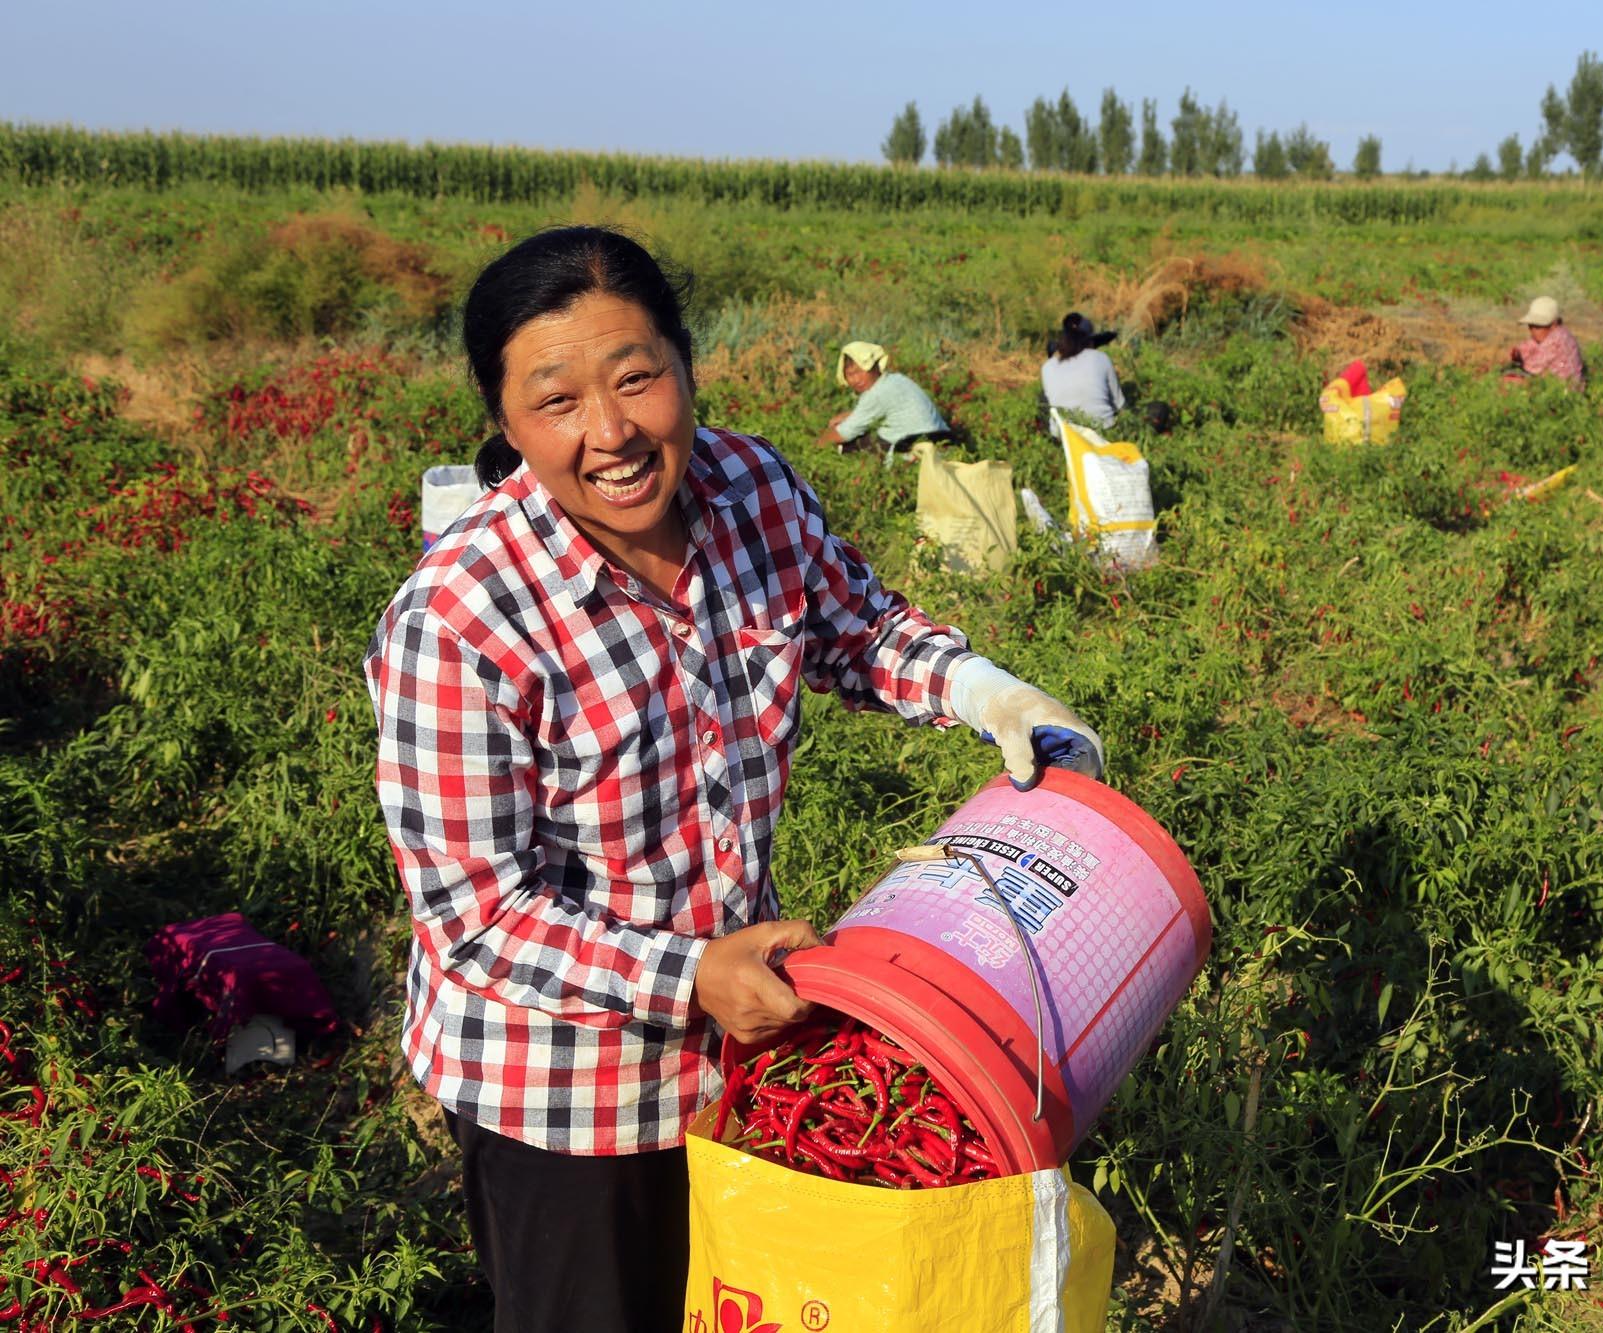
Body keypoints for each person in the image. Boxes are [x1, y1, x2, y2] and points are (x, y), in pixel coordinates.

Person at [363, 227, 1104, 1333]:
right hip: (557, 1090)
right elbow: (477, 918)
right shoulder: (460, 619)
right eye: (556, 401)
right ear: (507, 422)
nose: (610, 433)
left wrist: (986, 690)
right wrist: (688, 973)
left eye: (636, 378)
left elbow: (861, 629)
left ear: (685, 366)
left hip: (733, 1057)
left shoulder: (748, 485)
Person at [814, 340, 951, 453]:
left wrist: (817, 444)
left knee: (849, 446)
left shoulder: (877, 393)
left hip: (913, 445)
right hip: (941, 440)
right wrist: (849, 415)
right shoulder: (895, 380)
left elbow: (845, 433)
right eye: (850, 375)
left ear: (874, 367)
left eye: (860, 371)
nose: (856, 379)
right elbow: (873, 412)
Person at [1041, 312, 1125, 437]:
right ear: (1090, 342)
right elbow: (1120, 405)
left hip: (1064, 437)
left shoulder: (1047, 367)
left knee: (1042, 399)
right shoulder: (1100, 358)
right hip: (1103, 432)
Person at [1505, 296, 1587, 388]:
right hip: (1559, 385)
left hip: (1564, 390)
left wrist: (1520, 359)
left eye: (1537, 327)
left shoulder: (1556, 340)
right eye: (1530, 326)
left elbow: (1532, 366)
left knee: (1510, 381)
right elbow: (1529, 346)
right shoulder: (1557, 333)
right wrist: (1518, 352)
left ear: (1553, 325)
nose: (1532, 330)